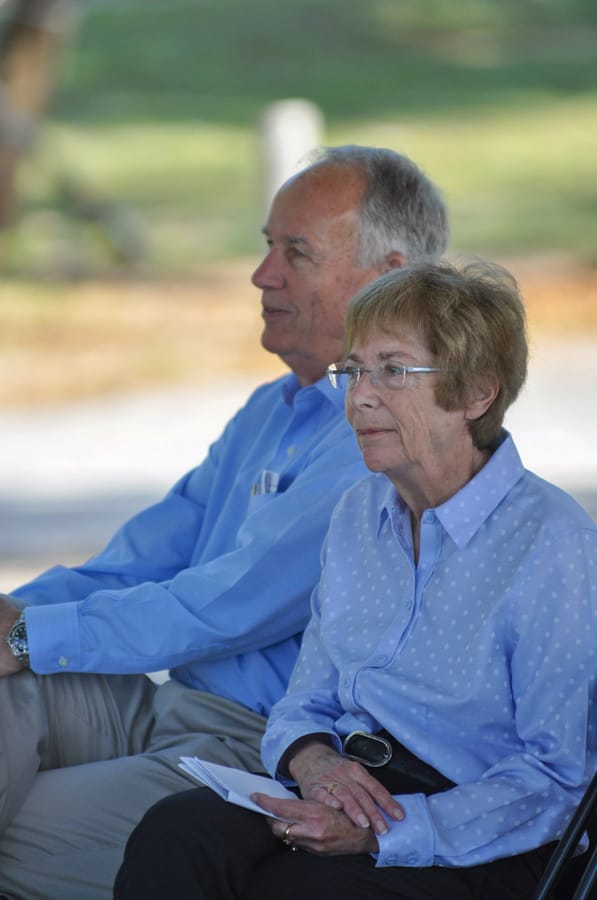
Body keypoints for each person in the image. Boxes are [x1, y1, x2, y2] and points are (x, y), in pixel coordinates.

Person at [0, 145, 449, 899]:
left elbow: (228, 606)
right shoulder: (271, 410)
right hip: (164, 707)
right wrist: (16, 619)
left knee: (16, 837)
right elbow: (139, 560)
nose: (261, 275)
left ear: (389, 273)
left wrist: (23, 639)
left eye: (294, 253)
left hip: (269, 747)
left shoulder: (382, 435)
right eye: (266, 247)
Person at [113, 260, 596, 900]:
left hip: (482, 834)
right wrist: (313, 763)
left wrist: (383, 834)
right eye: (354, 369)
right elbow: (305, 699)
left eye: (393, 370)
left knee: (285, 889)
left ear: (477, 392)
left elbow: (556, 780)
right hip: (354, 785)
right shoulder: (359, 512)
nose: (358, 395)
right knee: (176, 832)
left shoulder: (553, 542)